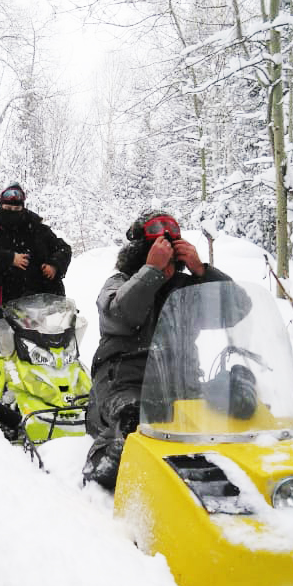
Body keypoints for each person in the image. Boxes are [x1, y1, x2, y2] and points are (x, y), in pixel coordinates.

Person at [82, 210, 232, 490]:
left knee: (237, 403)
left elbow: (234, 311)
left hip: (182, 387)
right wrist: (151, 272)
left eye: (171, 258)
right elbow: (121, 314)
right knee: (134, 419)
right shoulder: (118, 283)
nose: (167, 266)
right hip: (125, 387)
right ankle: (105, 458)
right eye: (160, 257)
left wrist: (202, 270)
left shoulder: (187, 289)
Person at [0, 183, 72, 319]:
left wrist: (55, 264)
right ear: (1, 206)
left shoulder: (38, 229)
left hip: (38, 306)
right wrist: (9, 259)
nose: (12, 212)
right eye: (7, 208)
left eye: (16, 208)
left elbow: (64, 249)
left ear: (22, 207)